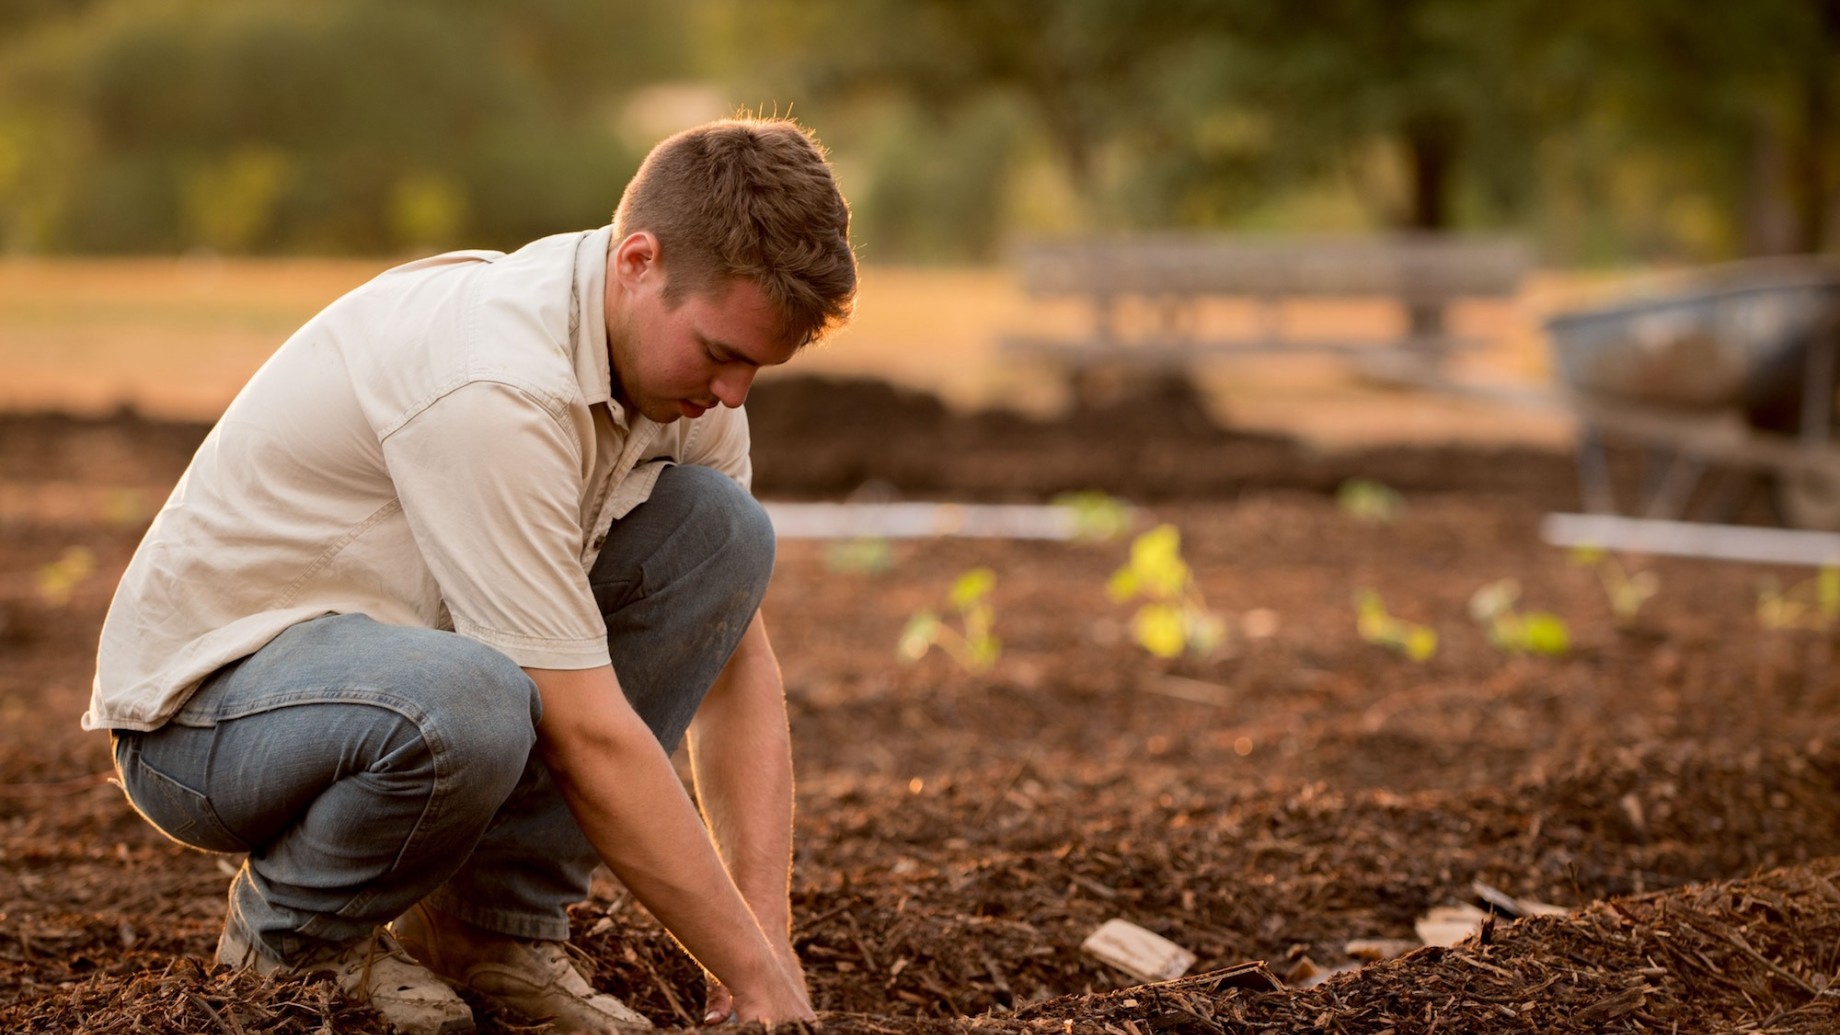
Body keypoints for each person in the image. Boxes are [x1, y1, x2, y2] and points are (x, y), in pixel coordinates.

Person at [84, 117, 856, 1034]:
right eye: (721, 353)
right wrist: (748, 970)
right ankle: (292, 942)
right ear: (638, 261)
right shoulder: (496, 384)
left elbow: (732, 661)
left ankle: (487, 931)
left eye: (756, 367)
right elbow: (587, 733)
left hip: (399, 673)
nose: (733, 394)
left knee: (723, 534)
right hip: (205, 718)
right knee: (475, 699)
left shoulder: (684, 388)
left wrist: (764, 947)